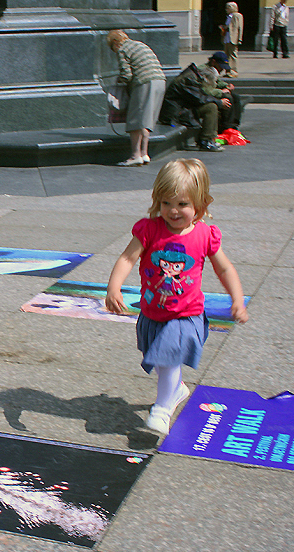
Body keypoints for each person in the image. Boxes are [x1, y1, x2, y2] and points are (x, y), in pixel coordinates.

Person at [105, 158, 248, 435]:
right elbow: (127, 258)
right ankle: (178, 389)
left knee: (168, 358)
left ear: (200, 204)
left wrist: (237, 300)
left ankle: (162, 409)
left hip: (186, 315)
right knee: (159, 360)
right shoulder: (149, 230)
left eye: (182, 204)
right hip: (153, 313)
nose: (173, 210)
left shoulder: (205, 235)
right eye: (166, 203)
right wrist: (114, 287)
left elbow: (224, 268)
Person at [106, 30, 166, 167]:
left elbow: (127, 74)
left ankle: (135, 155)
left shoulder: (122, 49)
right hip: (160, 81)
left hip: (144, 82)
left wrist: (118, 81)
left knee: (135, 120)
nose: (114, 51)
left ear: (115, 42)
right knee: (146, 120)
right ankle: (144, 154)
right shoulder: (139, 44)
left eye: (112, 47)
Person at [159, 63, 229, 152]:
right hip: (175, 113)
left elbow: (199, 96)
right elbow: (199, 98)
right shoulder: (188, 79)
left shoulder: (193, 77)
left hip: (183, 108)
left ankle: (211, 138)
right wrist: (219, 102)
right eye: (213, 82)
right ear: (206, 78)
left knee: (211, 105)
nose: (214, 84)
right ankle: (206, 141)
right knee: (211, 107)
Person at [199, 51, 243, 132]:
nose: (222, 69)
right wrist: (221, 91)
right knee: (228, 97)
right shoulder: (204, 70)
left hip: (213, 90)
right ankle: (226, 126)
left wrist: (226, 86)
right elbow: (207, 90)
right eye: (221, 66)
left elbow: (217, 81)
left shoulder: (214, 69)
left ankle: (234, 124)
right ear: (213, 62)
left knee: (235, 97)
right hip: (205, 94)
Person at [220, 2, 243, 77]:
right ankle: (228, 71)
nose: (226, 9)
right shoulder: (229, 17)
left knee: (233, 55)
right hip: (227, 37)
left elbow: (240, 28)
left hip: (233, 38)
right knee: (226, 55)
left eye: (228, 8)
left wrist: (239, 39)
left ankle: (233, 71)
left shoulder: (237, 15)